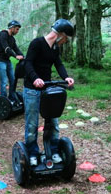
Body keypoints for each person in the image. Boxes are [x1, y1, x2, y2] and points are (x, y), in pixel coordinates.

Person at [23, 19, 75, 166]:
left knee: (53, 122)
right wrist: (35, 78)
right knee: (32, 124)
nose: (65, 42)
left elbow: (58, 64)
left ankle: (52, 151)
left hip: (47, 89)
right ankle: (32, 153)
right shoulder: (37, 43)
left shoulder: (54, 49)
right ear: (61, 35)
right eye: (66, 39)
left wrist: (66, 77)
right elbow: (28, 63)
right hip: (32, 90)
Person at [0, 20, 24, 98]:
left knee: (13, 80)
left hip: (7, 61)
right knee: (4, 81)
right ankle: (3, 99)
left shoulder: (12, 39)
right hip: (0, 61)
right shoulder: (3, 34)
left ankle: (12, 96)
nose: (18, 31)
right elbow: (6, 48)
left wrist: (23, 56)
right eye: (17, 29)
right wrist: (16, 56)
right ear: (12, 28)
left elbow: (16, 49)